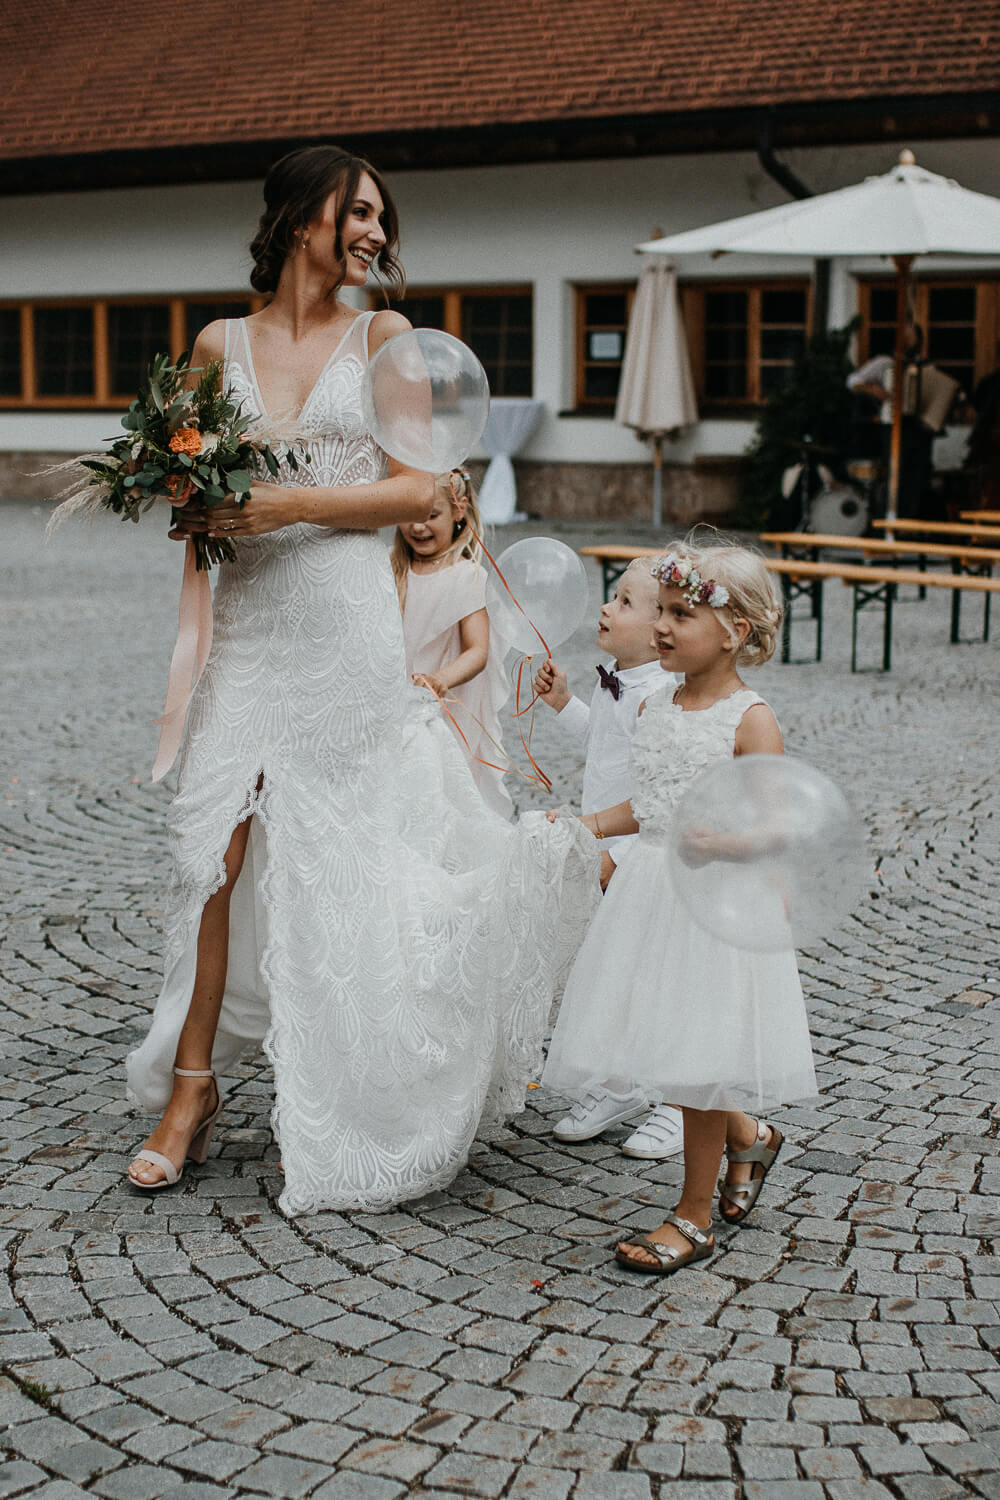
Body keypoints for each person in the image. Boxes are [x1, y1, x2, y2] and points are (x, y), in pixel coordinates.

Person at [124, 145, 599, 1215]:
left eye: (383, 218)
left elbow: (417, 490)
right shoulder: (217, 342)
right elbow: (187, 469)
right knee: (213, 846)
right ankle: (189, 1093)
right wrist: (192, 501)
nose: (376, 234)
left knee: (331, 850)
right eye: (359, 213)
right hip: (246, 625)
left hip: (341, 624)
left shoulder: (383, 339)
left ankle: (343, 1089)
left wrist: (282, 507)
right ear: (301, 217)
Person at [543, 543, 817, 1276]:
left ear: (733, 633)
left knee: (694, 1057)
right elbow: (653, 800)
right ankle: (749, 1136)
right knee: (672, 1044)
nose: (661, 627)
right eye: (660, 612)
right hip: (652, 894)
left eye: (681, 614)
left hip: (713, 905)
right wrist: (586, 826)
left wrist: (727, 841)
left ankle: (692, 1216)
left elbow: (780, 825)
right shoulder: (658, 702)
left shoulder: (749, 720)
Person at [533, 560, 683, 1160]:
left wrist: (613, 852)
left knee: (655, 974)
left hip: (643, 855)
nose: (604, 608)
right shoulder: (617, 680)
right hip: (608, 847)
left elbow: (655, 796)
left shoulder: (660, 699)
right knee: (611, 969)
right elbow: (603, 742)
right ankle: (619, 1083)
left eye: (623, 602)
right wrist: (565, 702)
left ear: (660, 631)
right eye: (612, 596)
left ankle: (678, 1100)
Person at [393, 470, 512, 819]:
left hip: (443, 704)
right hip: (395, 697)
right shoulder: (393, 567)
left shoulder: (467, 576)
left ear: (458, 512)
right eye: (410, 516)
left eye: (432, 516)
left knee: (440, 786)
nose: (419, 527)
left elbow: (477, 649)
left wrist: (441, 680)